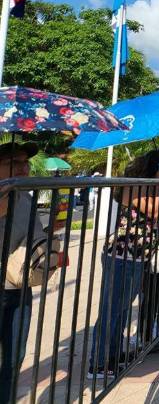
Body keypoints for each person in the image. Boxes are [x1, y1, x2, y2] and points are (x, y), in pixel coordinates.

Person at [90, 149, 159, 378]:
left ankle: (113, 355)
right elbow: (155, 211)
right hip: (122, 255)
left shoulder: (148, 187)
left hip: (136, 256)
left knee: (123, 310)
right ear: (155, 167)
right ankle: (98, 362)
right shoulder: (133, 186)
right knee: (112, 309)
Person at [0, 142, 58, 401]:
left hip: (19, 288)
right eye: (15, 162)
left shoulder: (25, 195)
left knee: (14, 358)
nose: (24, 168)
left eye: (25, 162)